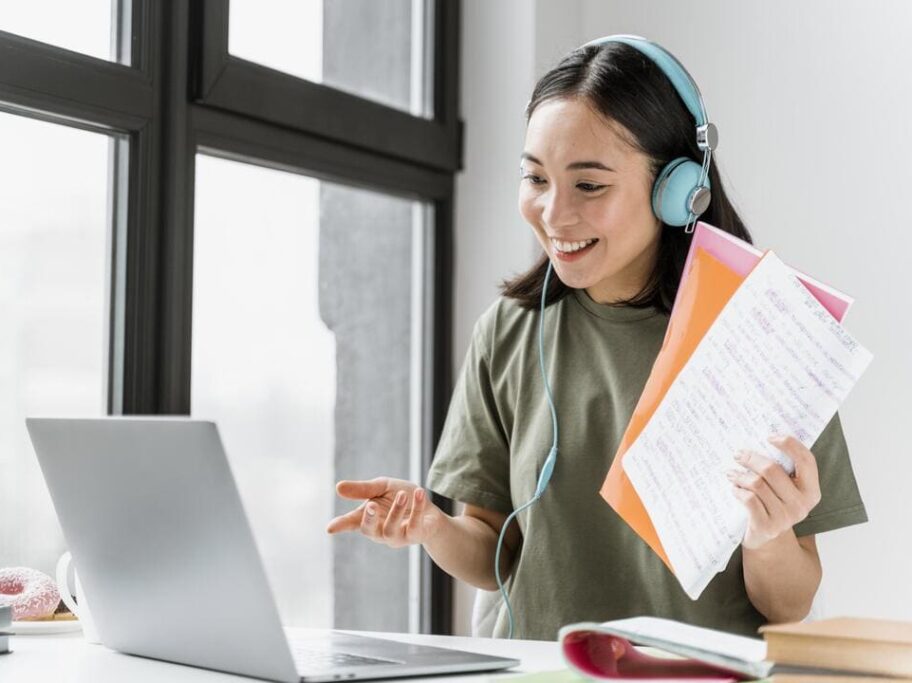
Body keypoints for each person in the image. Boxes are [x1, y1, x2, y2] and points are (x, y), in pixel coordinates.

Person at [325, 36, 867, 640]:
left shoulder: (765, 337)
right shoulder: (508, 332)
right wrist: (430, 527)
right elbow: (497, 555)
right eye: (535, 178)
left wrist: (768, 535)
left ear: (677, 189)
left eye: (589, 186)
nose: (554, 214)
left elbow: (788, 606)